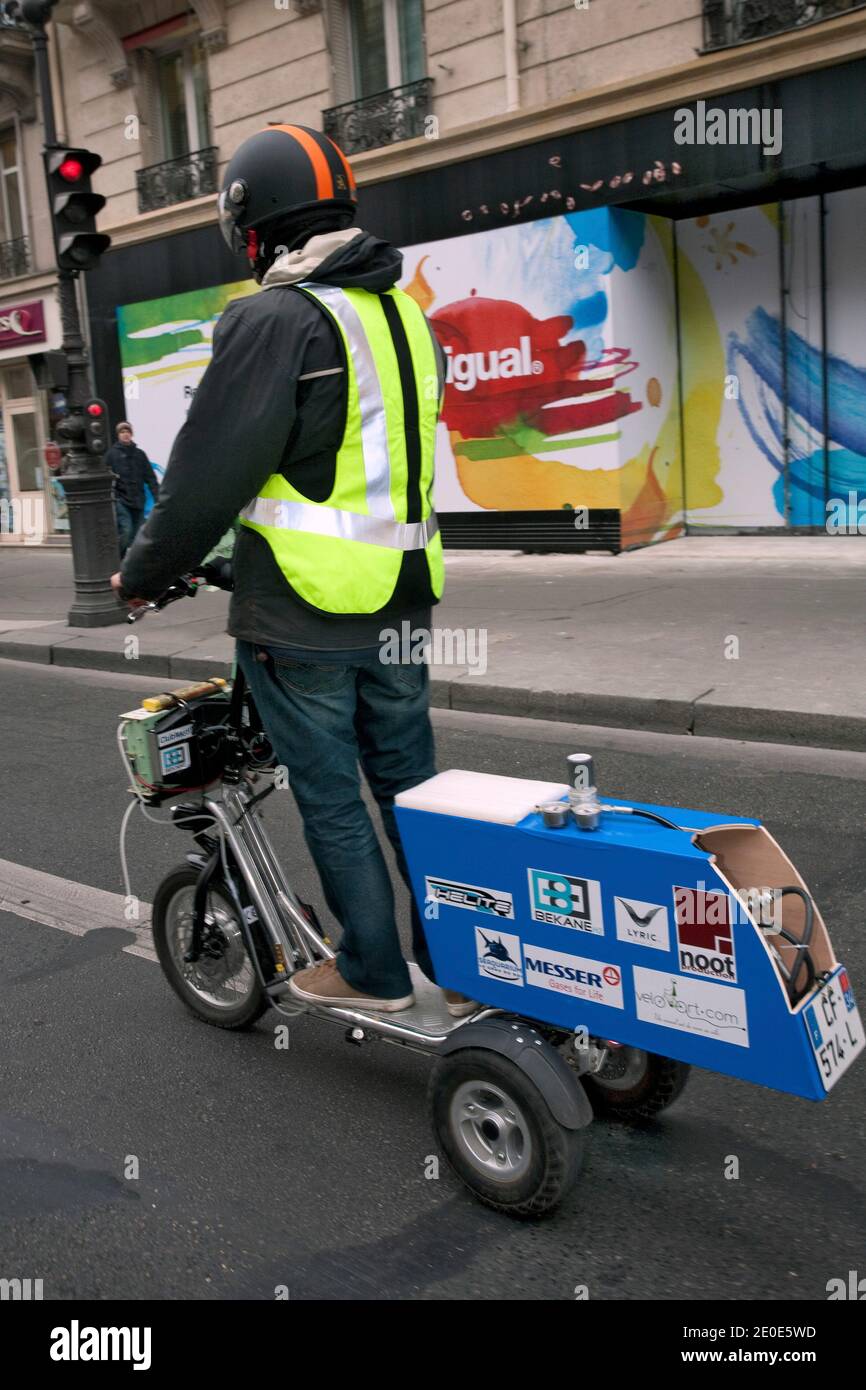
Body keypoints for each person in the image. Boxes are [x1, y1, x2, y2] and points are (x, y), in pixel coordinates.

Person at [113, 123, 475, 1018]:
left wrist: (140, 573)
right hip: (401, 601)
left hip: (306, 615)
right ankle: (461, 962)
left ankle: (374, 973)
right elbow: (350, 468)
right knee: (409, 789)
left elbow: (206, 477)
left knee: (331, 797)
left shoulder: (275, 318)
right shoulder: (404, 316)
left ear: (254, 224)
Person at [106, 422, 160, 558]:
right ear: (118, 435)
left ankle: (130, 565)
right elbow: (105, 477)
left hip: (138, 501)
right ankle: (116, 560)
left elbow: (150, 478)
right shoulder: (111, 455)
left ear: (131, 434)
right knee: (126, 530)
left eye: (127, 431)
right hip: (121, 500)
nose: (125, 434)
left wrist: (158, 497)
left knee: (137, 537)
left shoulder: (140, 455)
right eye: (122, 432)